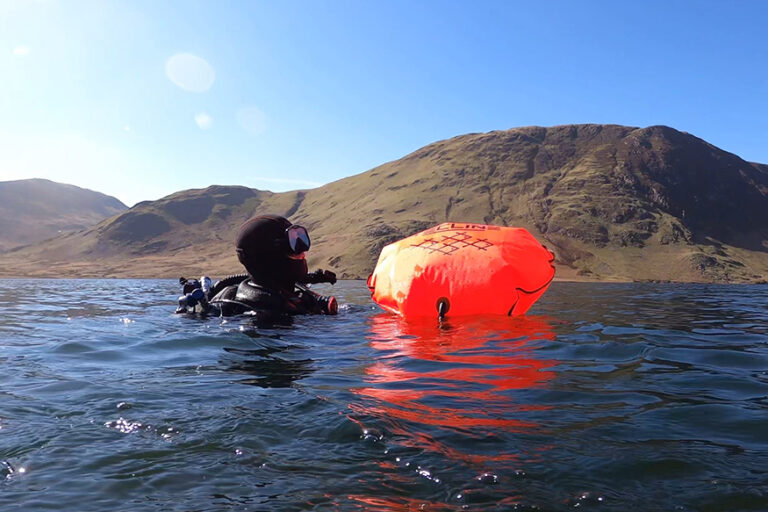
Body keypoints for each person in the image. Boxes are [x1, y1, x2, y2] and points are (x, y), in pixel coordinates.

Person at [176, 214, 338, 319]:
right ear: (269, 258)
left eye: (301, 239)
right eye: (294, 245)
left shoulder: (293, 295)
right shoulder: (257, 313)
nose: (303, 254)